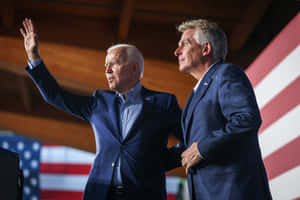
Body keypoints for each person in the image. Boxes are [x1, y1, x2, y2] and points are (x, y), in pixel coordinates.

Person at [20, 18, 183, 200]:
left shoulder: (163, 103)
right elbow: (55, 96)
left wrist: (159, 162)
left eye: (114, 63)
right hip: (100, 194)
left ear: (134, 68)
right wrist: (34, 57)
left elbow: (190, 138)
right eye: (106, 65)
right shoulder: (100, 101)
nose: (107, 70)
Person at [174, 19, 272, 200]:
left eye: (185, 44)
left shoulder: (226, 73)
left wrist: (202, 148)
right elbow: (192, 146)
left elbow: (246, 118)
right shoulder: (196, 93)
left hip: (233, 192)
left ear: (206, 49)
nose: (176, 51)